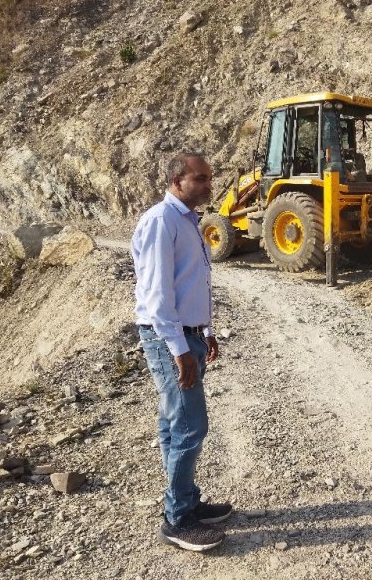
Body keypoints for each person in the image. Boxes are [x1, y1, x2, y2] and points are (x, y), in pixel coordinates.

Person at [131, 152, 232, 552]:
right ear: (177, 180)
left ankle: (186, 501)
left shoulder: (186, 219)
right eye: (201, 178)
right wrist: (179, 349)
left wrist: (205, 330)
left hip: (188, 335)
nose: (209, 185)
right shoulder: (161, 220)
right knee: (190, 425)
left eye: (209, 178)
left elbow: (191, 282)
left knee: (175, 423)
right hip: (168, 339)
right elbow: (157, 294)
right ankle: (177, 520)